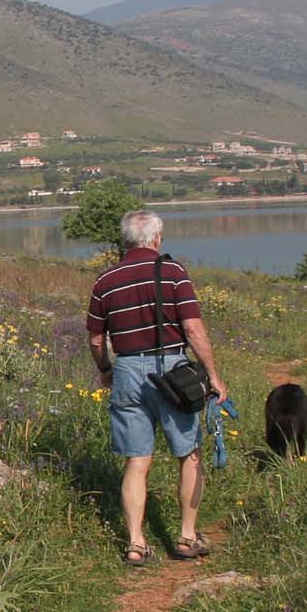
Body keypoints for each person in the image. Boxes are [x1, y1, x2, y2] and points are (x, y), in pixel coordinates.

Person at [84, 209, 228, 565]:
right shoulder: (173, 273)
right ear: (157, 238)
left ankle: (135, 543)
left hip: (128, 370)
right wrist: (213, 375)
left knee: (137, 461)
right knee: (189, 453)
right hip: (172, 370)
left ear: (126, 240)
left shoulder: (105, 281)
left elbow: (96, 339)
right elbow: (193, 329)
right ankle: (186, 537)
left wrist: (105, 370)